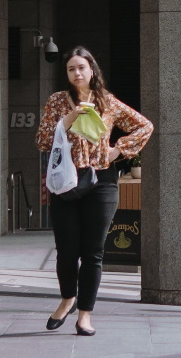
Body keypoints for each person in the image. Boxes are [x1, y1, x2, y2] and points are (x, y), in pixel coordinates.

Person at [36, 47, 154, 337]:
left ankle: (85, 315)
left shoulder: (107, 102)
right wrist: (68, 120)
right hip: (66, 180)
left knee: (93, 251)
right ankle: (67, 299)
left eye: (81, 68)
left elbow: (144, 126)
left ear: (92, 70)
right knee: (66, 250)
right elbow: (41, 140)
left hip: (101, 181)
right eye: (71, 69)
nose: (77, 73)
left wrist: (117, 151)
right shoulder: (57, 102)